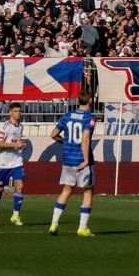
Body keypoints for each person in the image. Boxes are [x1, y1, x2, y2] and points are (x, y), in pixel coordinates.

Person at [50, 90, 96, 236]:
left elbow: (53, 134)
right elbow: (85, 139)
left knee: (66, 190)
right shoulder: (89, 117)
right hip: (81, 160)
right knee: (88, 191)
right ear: (90, 101)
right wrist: (86, 159)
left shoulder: (67, 115)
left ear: (78, 100)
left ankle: (53, 224)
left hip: (67, 159)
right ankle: (82, 228)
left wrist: (64, 141)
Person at [0, 103, 27, 226]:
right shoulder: (4, 127)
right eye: (15, 111)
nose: (18, 113)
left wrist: (22, 146)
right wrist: (15, 145)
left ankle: (15, 215)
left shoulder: (21, 127)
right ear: (10, 112)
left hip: (17, 162)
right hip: (3, 163)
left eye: (19, 111)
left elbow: (17, 143)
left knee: (20, 186)